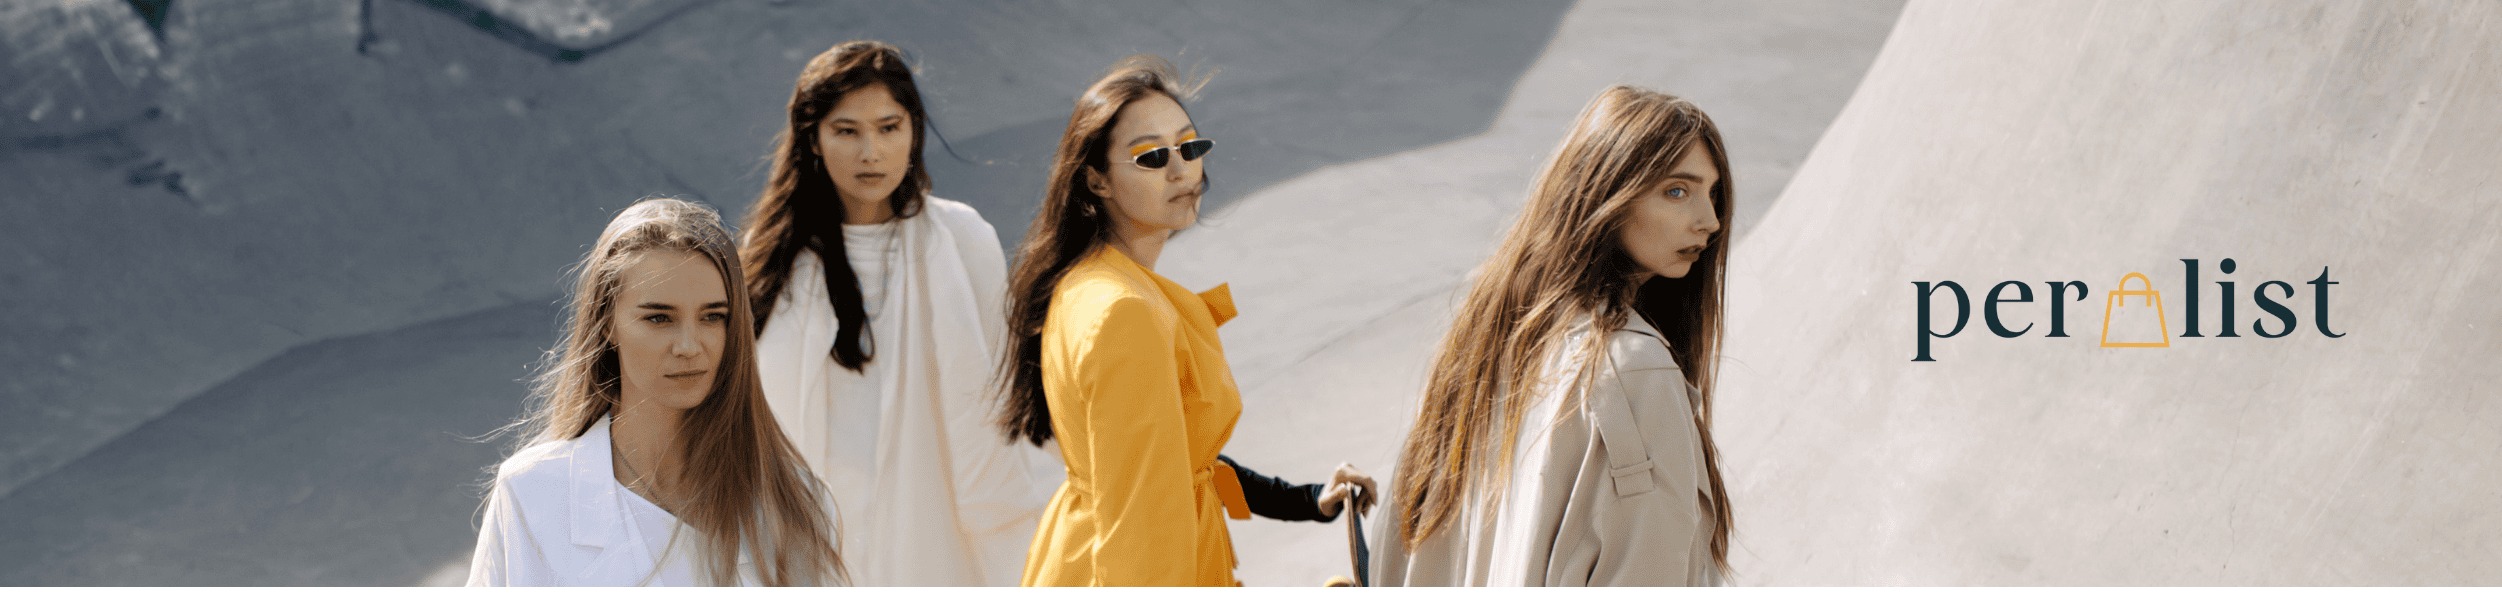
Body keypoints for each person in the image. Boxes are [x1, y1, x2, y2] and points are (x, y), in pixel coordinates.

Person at [996, 55, 1376, 587]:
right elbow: (1143, 532)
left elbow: (1178, 461)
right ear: (1097, 180)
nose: (1181, 171)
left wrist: (1305, 500)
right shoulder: (1125, 312)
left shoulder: (1092, 280)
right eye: (1151, 157)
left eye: (1189, 148)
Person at [1373, 85, 1736, 586]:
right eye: (1677, 191)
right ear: (1607, 193)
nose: (1710, 221)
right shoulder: (1634, 369)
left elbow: (1399, 550)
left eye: (1712, 193)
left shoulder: (1488, 341)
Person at [739, 40, 1055, 586]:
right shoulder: (774, 260)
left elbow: (1010, 391)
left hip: (937, 520)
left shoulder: (962, 239)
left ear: (914, 132)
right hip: (817, 531)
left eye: (889, 128)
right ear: (813, 139)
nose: (872, 152)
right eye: (847, 131)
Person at [467, 197, 845, 586]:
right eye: (659, 318)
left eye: (713, 317)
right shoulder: (533, 495)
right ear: (607, 324)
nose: (689, 346)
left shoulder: (797, 506)